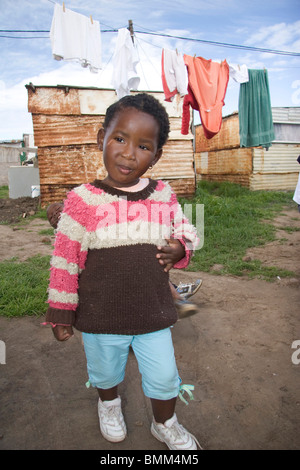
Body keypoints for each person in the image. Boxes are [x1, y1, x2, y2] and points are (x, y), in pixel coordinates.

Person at [44, 93, 202, 450]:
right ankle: (109, 404)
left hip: (154, 312)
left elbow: (188, 230)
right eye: (119, 139)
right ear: (102, 138)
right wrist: (61, 311)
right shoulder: (82, 201)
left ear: (156, 155)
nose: (130, 153)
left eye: (144, 146)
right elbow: (65, 262)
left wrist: (181, 247)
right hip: (101, 316)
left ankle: (166, 423)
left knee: (164, 376)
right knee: (105, 371)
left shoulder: (164, 196)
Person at [47, 203, 203, 317]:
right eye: (52, 216)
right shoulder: (63, 241)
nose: (56, 215)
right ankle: (175, 297)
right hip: (97, 277)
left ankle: (177, 298)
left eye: (58, 210)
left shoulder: (86, 217)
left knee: (144, 263)